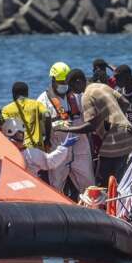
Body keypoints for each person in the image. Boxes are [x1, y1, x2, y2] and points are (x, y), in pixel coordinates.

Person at [60, 70, 132, 185]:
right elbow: (125, 102)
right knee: (125, 178)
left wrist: (66, 129)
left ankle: (106, 202)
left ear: (78, 82)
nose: (72, 91)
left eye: (72, 87)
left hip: (113, 140)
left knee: (103, 180)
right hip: (129, 134)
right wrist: (113, 118)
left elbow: (91, 126)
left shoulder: (86, 96)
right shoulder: (102, 86)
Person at [37, 63, 94, 194]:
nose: (64, 84)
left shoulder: (78, 95)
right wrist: (57, 126)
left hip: (81, 149)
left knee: (89, 185)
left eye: (66, 81)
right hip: (59, 149)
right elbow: (41, 128)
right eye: (60, 81)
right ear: (53, 80)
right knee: (56, 186)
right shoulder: (42, 100)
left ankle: (93, 209)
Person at [1, 118, 79, 178]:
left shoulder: (1, 153)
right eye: (19, 135)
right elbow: (50, 162)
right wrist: (63, 147)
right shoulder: (31, 154)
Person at [0, 81, 49, 149]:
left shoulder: (6, 109)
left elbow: (6, 129)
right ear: (27, 93)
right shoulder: (37, 104)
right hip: (37, 148)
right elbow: (47, 115)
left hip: (18, 149)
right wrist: (48, 139)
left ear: (13, 94)